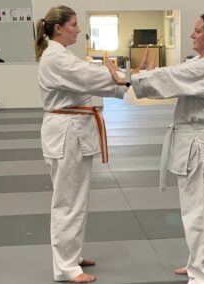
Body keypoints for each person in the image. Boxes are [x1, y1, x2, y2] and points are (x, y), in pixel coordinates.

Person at [106, 13, 204, 284]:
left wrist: (129, 77)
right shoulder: (202, 62)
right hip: (195, 140)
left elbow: (172, 76)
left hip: (203, 143)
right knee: (194, 210)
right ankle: (198, 264)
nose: (192, 35)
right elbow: (174, 76)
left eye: (197, 31)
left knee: (202, 212)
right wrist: (139, 75)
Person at [34, 5, 127, 283]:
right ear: (58, 27)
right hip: (66, 132)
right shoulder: (56, 58)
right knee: (68, 201)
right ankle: (65, 268)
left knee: (76, 198)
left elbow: (88, 74)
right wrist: (127, 77)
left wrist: (122, 77)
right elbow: (92, 77)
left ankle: (71, 256)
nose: (78, 28)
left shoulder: (61, 55)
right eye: (74, 24)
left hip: (71, 129)